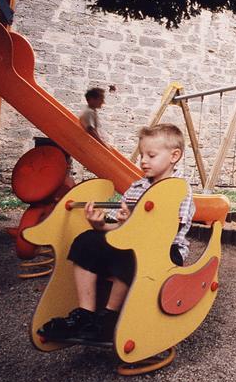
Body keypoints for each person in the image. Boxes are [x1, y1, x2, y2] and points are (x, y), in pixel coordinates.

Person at [38, 123, 195, 342]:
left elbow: (167, 231)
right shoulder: (137, 187)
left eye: (151, 155)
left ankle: (109, 318)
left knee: (131, 250)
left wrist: (133, 225)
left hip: (166, 251)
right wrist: (101, 225)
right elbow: (120, 230)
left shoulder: (178, 188)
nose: (143, 160)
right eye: (142, 155)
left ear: (174, 156)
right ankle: (86, 315)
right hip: (131, 242)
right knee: (87, 240)